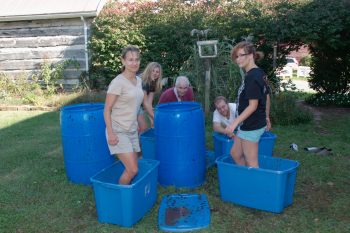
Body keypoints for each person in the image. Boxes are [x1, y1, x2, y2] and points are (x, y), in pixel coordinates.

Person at [104, 45, 151, 185]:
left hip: (132, 131)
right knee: (132, 170)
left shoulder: (139, 81)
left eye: (137, 59)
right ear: (123, 61)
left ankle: (129, 194)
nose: (134, 63)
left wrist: (155, 119)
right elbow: (107, 109)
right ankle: (121, 200)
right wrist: (111, 133)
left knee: (132, 167)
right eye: (130, 60)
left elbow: (142, 104)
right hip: (118, 131)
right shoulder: (118, 82)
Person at [225, 41, 271, 168]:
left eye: (241, 55)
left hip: (252, 125)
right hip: (249, 123)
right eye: (236, 56)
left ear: (250, 55)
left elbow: (253, 106)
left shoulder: (252, 76)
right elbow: (266, 96)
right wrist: (266, 116)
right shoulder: (258, 73)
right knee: (235, 153)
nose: (238, 59)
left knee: (252, 162)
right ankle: (247, 178)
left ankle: (256, 186)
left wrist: (234, 123)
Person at [137, 62, 163, 133]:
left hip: (137, 105)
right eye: (153, 71)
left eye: (157, 72)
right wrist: (155, 119)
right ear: (149, 70)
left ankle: (139, 144)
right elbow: (145, 103)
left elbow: (149, 103)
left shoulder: (153, 82)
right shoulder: (142, 80)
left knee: (143, 128)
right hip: (128, 104)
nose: (155, 73)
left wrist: (152, 119)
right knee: (137, 128)